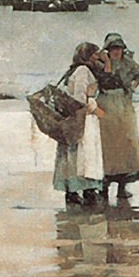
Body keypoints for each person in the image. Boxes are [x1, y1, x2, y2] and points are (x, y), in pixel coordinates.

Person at [53, 42, 106, 206]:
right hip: (82, 118)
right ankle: (81, 191)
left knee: (76, 155)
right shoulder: (83, 71)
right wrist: (94, 108)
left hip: (76, 118)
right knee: (83, 154)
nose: (98, 57)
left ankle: (75, 191)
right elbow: (79, 98)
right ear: (87, 56)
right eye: (95, 54)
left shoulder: (74, 70)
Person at [97, 33, 139, 200]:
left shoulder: (128, 62)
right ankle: (104, 186)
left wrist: (132, 87)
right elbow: (102, 80)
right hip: (106, 103)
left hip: (123, 104)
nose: (116, 51)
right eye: (113, 48)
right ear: (108, 50)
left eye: (118, 48)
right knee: (108, 144)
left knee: (125, 144)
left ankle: (122, 187)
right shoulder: (101, 62)